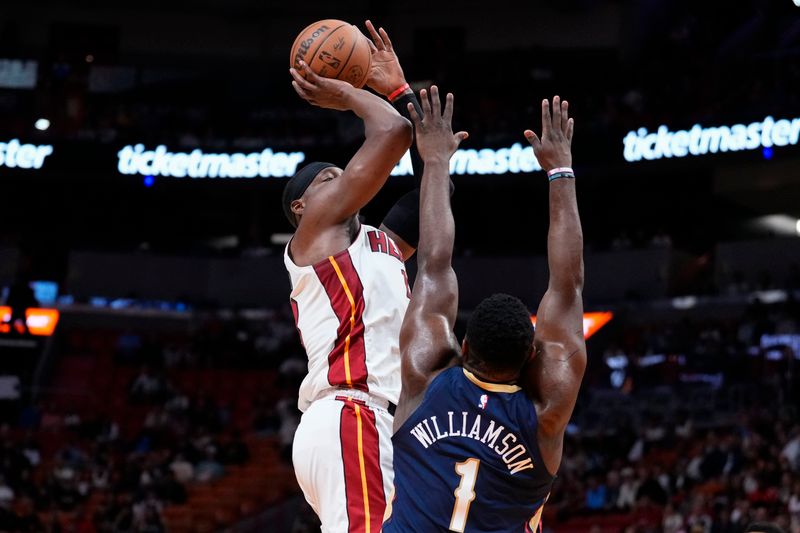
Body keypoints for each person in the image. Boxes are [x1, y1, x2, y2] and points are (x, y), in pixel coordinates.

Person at [383, 92, 584, 532]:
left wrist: (435, 161)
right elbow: (567, 288)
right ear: (533, 354)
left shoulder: (423, 374)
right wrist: (560, 172)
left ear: (464, 343)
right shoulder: (547, 409)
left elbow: (433, 263)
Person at [284, 22, 432, 533]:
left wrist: (398, 90)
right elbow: (391, 133)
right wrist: (350, 92)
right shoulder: (313, 238)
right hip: (350, 412)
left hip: (383, 422)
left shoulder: (384, 243)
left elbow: (436, 191)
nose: (345, 181)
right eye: (331, 180)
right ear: (302, 208)